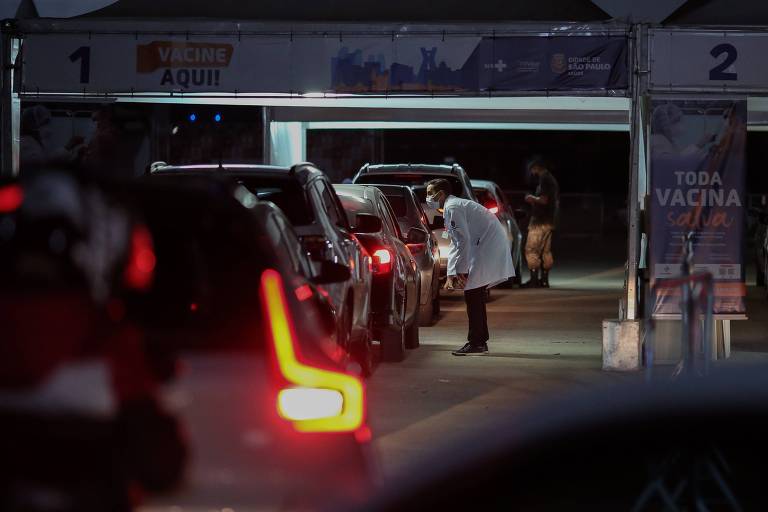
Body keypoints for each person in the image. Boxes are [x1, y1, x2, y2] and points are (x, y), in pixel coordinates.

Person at [426, 178, 515, 356]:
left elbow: (463, 240)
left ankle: (477, 342)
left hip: (486, 247)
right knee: (474, 295)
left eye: (430, 193)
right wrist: (452, 273)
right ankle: (480, 340)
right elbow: (456, 242)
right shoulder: (451, 207)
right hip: (482, 246)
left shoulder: (453, 207)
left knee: (473, 295)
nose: (427, 197)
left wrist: (461, 271)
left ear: (441, 194)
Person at [523, 157, 559, 288]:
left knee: (531, 249)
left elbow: (544, 200)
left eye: (532, 169)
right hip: (549, 221)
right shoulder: (551, 180)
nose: (531, 172)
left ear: (537, 167)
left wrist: (532, 198)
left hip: (540, 221)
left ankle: (534, 280)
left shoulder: (545, 180)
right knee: (545, 251)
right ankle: (544, 280)